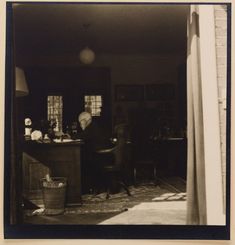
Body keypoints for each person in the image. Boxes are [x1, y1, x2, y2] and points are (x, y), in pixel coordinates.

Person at [77, 111, 110, 194]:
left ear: (84, 121)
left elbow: (81, 136)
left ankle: (86, 189)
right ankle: (88, 188)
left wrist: (71, 136)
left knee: (81, 163)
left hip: (100, 157)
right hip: (103, 155)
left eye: (80, 122)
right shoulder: (94, 125)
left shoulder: (91, 127)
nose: (80, 124)